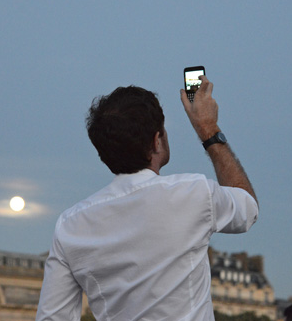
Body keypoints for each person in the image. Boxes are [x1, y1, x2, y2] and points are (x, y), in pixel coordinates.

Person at [35, 75, 259, 321]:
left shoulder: (70, 225)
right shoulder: (192, 193)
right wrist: (208, 129)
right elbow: (247, 208)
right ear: (156, 141)